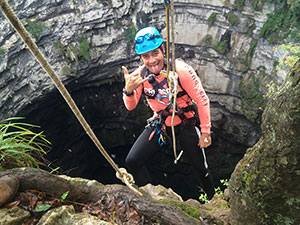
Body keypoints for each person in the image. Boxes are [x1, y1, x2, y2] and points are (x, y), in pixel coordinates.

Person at [122, 26, 215, 200]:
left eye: (155, 53)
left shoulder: (181, 71)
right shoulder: (139, 76)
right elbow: (131, 106)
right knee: (132, 161)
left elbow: (202, 100)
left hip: (186, 124)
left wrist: (205, 132)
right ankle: (150, 198)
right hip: (162, 124)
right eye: (145, 56)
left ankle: (213, 201)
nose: (151, 60)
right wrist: (128, 91)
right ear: (141, 58)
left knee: (201, 169)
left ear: (163, 49)